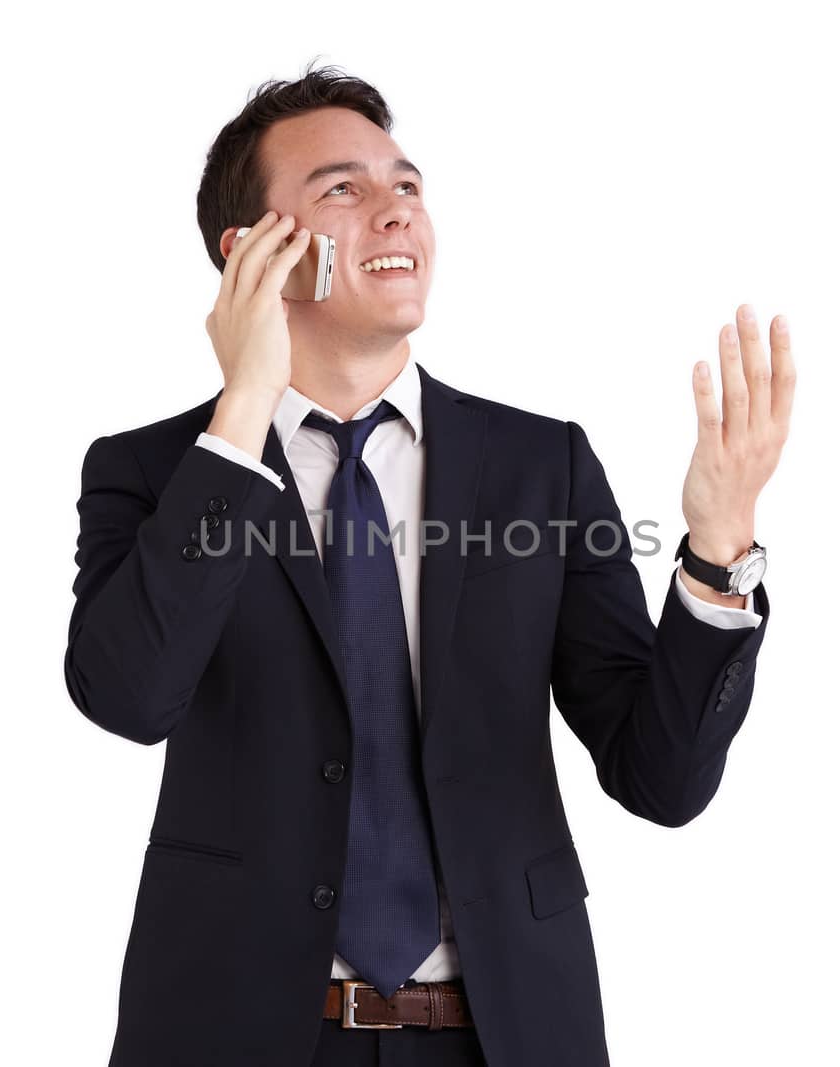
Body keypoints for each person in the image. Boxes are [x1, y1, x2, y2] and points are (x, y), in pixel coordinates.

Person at [64, 61, 794, 1067]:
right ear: (252, 253)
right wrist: (240, 419)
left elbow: (660, 776)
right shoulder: (152, 473)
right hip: (233, 1028)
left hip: (501, 1033)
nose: (395, 212)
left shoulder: (541, 466)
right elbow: (129, 696)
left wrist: (717, 549)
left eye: (405, 185)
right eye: (342, 191)